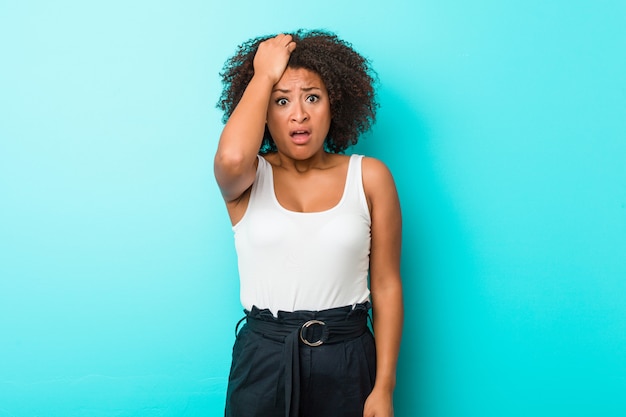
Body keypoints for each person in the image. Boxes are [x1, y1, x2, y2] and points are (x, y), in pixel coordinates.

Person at [214, 29, 403, 417]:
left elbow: (385, 285)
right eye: (281, 101)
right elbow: (232, 158)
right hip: (264, 357)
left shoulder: (369, 177)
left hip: (348, 357)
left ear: (334, 104)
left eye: (312, 97)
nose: (299, 114)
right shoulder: (247, 179)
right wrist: (263, 74)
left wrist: (383, 387)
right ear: (264, 113)